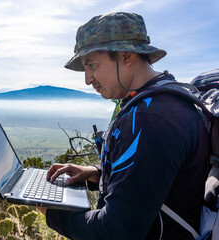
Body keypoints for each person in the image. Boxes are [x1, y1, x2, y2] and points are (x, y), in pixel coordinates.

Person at [40, 12, 210, 239]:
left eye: (92, 65)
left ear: (127, 56)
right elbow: (153, 181)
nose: (87, 79)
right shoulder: (160, 97)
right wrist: (95, 174)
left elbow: (116, 232)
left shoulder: (152, 118)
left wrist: (52, 213)